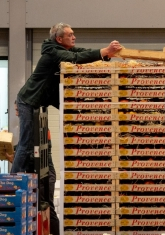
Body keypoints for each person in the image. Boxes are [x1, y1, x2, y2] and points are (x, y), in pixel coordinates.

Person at [11, 23, 122, 173]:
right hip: (29, 100)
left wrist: (105, 54)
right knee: (27, 142)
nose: (74, 37)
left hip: (45, 98)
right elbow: (76, 58)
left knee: (47, 136)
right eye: (70, 35)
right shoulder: (54, 53)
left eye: (73, 34)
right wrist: (105, 51)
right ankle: (15, 179)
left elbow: (83, 52)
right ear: (59, 39)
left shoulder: (62, 49)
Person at [6, 101, 60, 235]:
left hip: (46, 174)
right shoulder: (29, 129)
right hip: (41, 173)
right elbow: (23, 149)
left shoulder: (39, 128)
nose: (17, 114)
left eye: (18, 110)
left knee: (48, 207)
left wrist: (18, 159)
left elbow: (31, 152)